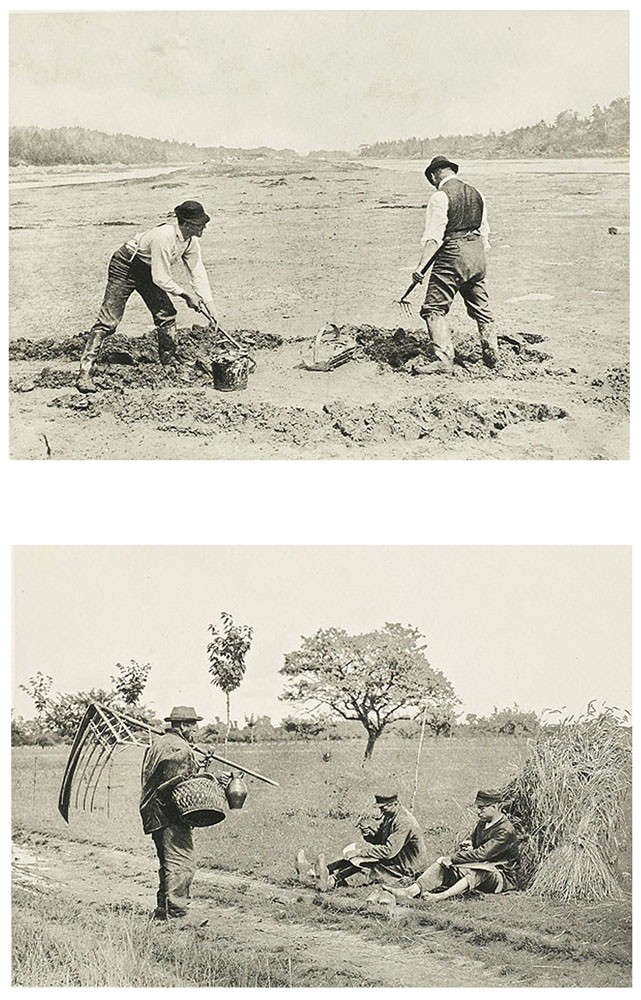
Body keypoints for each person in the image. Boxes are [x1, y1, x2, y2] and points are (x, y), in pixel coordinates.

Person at [76, 200, 217, 393]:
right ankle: (85, 373)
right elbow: (161, 278)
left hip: (148, 269)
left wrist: (210, 307)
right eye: (200, 224)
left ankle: (169, 366)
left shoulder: (191, 241)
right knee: (109, 321)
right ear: (185, 223)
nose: (204, 227)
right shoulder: (164, 237)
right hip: (126, 266)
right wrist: (186, 296)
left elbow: (197, 272)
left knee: (167, 315)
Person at [407, 155, 498, 375]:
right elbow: (484, 231)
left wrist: (420, 268)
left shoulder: (440, 197)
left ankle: (444, 361)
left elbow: (434, 237)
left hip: (452, 255)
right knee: (481, 308)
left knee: (433, 308)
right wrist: (473, 257)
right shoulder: (478, 193)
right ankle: (492, 354)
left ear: (435, 174)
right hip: (477, 254)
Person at [139, 705, 230, 920]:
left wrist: (199, 767)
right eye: (193, 725)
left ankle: (163, 911)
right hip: (170, 814)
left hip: (155, 812)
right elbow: (179, 787)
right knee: (182, 863)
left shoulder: (161, 743)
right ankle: (177, 914)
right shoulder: (179, 749)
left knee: (168, 862)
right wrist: (214, 780)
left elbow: (170, 777)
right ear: (183, 726)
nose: (196, 729)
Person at [384, 789, 520, 902]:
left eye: (482, 808)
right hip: (483, 864)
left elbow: (482, 854)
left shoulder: (505, 830)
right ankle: (411, 891)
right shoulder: (484, 821)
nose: (478, 812)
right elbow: (474, 837)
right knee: (442, 862)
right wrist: (470, 842)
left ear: (494, 807)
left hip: (502, 876)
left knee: (477, 871)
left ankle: (440, 897)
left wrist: (454, 858)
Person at [295, 790, 426, 891]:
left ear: (396, 804)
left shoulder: (404, 822)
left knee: (362, 863)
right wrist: (368, 833)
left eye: (383, 807)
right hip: (395, 859)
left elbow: (388, 851)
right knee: (349, 858)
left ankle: (329, 881)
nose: (381, 811)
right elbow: (380, 840)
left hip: (405, 867)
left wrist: (360, 852)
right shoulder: (390, 816)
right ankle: (312, 872)